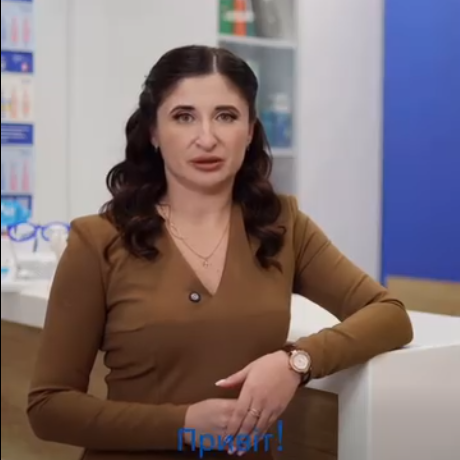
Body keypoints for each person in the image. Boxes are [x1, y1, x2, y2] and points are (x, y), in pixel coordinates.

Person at [27, 45, 413, 460]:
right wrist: (183, 424)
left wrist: (295, 362)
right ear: (153, 132)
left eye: (226, 116)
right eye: (184, 116)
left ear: (249, 131)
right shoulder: (98, 241)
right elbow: (48, 407)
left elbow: (389, 314)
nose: (207, 138)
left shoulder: (283, 226)